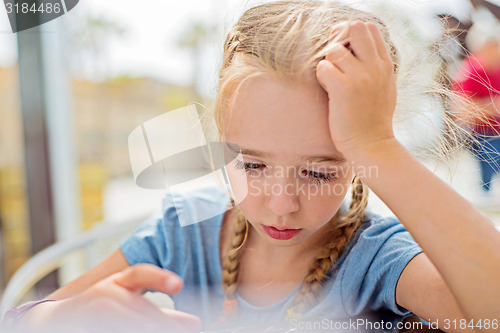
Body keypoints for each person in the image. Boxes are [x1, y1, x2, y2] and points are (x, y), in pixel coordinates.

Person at [5, 1, 500, 332]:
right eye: (252, 163)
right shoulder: (183, 230)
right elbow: (26, 319)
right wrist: (58, 318)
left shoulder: (376, 259)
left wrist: (376, 143)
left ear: (357, 163)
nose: (281, 204)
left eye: (319, 171)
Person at [452, 17, 500, 202]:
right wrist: (493, 106)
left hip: (496, 133)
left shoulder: (497, 68)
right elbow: (460, 110)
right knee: (485, 184)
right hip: (482, 135)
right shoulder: (470, 71)